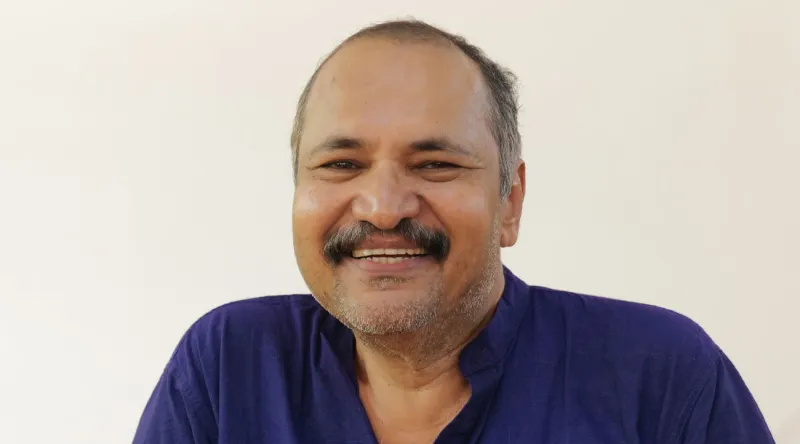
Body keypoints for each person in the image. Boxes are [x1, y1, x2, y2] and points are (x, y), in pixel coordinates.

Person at [133, 19, 774, 443]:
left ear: (509, 201)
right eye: (341, 165)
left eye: (435, 164)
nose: (383, 207)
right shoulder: (229, 369)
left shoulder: (660, 377)